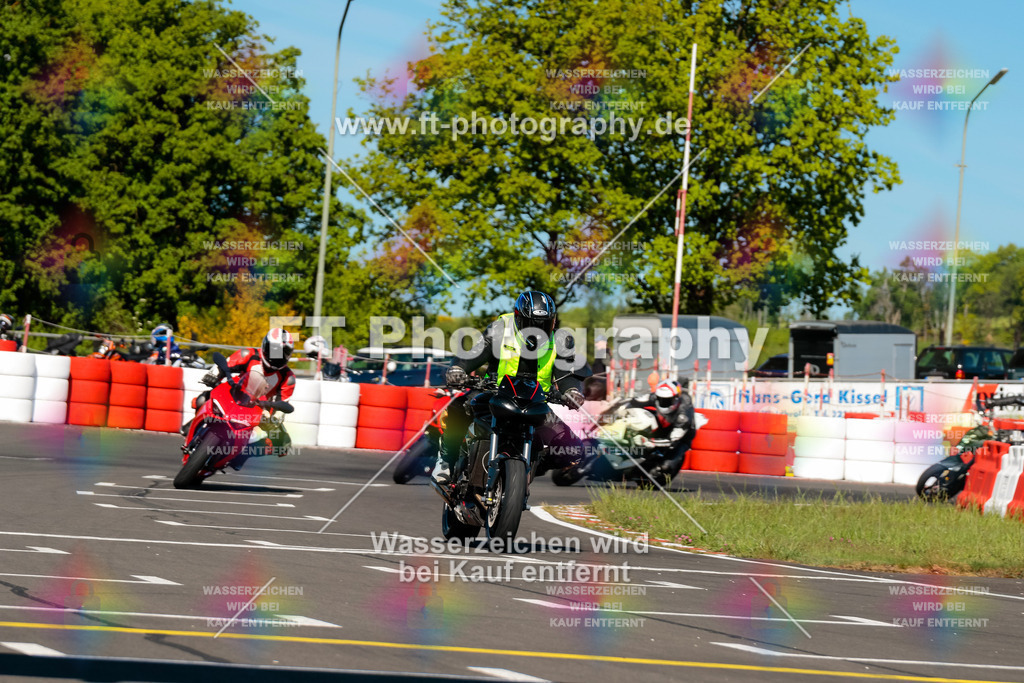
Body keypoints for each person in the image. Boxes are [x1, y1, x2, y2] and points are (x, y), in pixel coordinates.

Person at [432, 290, 588, 486]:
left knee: (573, 449)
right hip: (493, 394)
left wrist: (572, 391)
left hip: (535, 403)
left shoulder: (561, 341)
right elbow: (475, 353)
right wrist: (458, 369)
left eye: (544, 323)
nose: (538, 328)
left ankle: (529, 468)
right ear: (518, 318)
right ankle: (446, 460)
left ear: (553, 321)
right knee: (459, 406)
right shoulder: (500, 330)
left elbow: (568, 373)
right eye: (532, 323)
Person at [185, 328, 296, 465]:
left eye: (281, 353)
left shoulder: (287, 378)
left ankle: (242, 455)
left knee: (283, 444)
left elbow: (282, 403)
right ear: (265, 345)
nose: (276, 356)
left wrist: (275, 419)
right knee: (202, 399)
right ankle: (194, 424)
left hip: (259, 410)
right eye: (274, 350)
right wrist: (213, 375)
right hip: (234, 394)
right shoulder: (249, 354)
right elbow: (225, 365)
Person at [624, 377, 696, 482]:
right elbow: (635, 401)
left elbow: (673, 440)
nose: (663, 402)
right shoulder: (655, 397)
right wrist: (622, 410)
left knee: (666, 466)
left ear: (675, 398)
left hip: (681, 437)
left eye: (667, 400)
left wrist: (649, 442)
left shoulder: (683, 415)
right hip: (662, 425)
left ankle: (658, 475)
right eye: (661, 399)